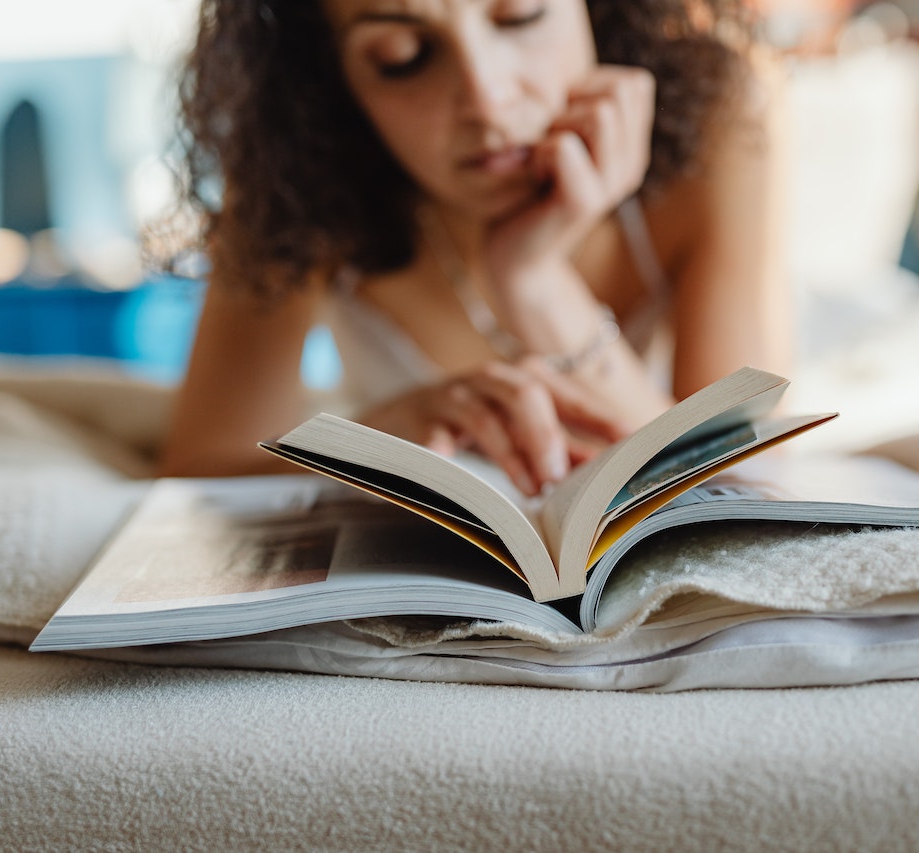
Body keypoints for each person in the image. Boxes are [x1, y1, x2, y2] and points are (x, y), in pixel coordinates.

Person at [159, 0, 792, 495]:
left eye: (521, 15)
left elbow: (743, 478)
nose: (488, 100)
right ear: (326, 76)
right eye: (401, 54)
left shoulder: (719, 119)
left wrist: (534, 281)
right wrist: (375, 447)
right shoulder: (290, 174)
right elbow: (201, 464)